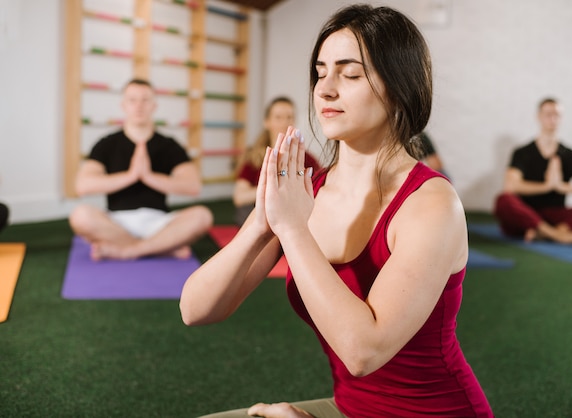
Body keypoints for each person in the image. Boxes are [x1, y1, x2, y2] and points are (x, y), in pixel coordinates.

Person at [180, 4, 493, 417]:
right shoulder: (309, 192)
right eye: (321, 72)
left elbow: (363, 351)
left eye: (350, 74)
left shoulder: (432, 204)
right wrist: (261, 223)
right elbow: (197, 310)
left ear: (399, 86)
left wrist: (292, 230)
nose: (325, 89)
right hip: (351, 409)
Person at [69, 78, 213, 261]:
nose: (139, 106)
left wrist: (148, 176)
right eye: (132, 100)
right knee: (80, 215)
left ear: (154, 105)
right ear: (123, 105)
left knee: (202, 216)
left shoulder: (169, 145)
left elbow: (193, 186)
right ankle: (161, 247)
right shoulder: (106, 144)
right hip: (116, 222)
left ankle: (126, 250)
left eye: (145, 100)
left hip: (159, 222)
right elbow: (82, 185)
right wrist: (131, 176)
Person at [494, 97, 572, 246]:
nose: (552, 119)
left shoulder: (569, 155)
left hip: (557, 215)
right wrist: (547, 186)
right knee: (504, 201)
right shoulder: (523, 153)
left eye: (557, 115)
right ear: (539, 117)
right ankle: (559, 236)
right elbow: (510, 187)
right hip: (527, 214)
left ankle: (549, 232)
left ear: (561, 118)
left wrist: (561, 186)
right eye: (548, 114)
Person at [233, 96, 320, 226]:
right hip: (261, 215)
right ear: (267, 122)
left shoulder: (307, 159)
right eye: (278, 117)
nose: (285, 123)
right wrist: (275, 187)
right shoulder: (254, 158)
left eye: (289, 117)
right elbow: (240, 197)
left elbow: (319, 192)